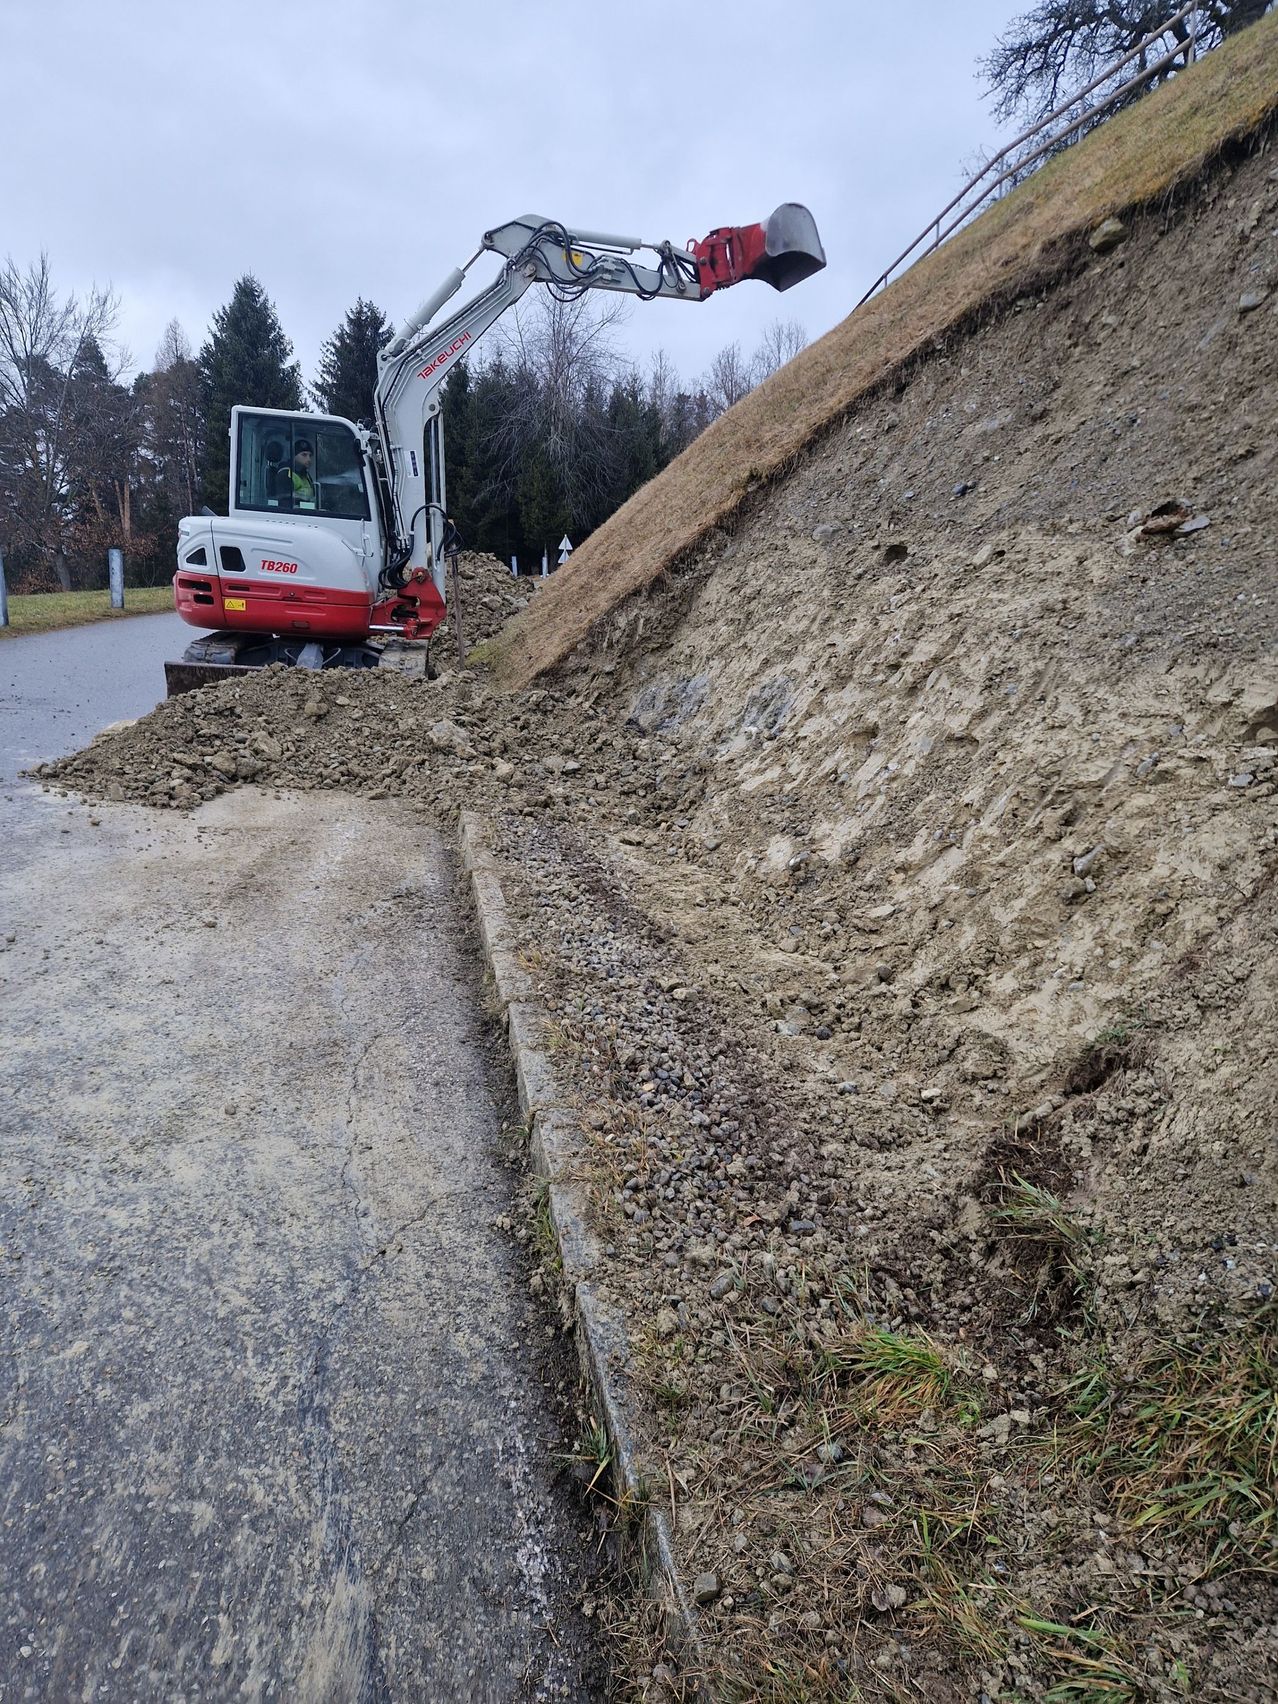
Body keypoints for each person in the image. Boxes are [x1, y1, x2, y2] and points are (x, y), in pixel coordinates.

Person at [279, 438, 317, 509]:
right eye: (304, 455)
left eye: (310, 455)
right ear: (294, 456)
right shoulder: (285, 473)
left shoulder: (306, 474)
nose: (309, 459)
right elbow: (284, 502)